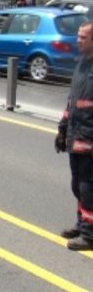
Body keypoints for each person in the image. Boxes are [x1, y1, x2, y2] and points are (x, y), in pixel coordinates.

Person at [55, 21, 93, 251]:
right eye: (78, 36)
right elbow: (73, 100)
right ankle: (82, 224)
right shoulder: (81, 64)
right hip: (76, 134)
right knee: (78, 185)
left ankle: (89, 235)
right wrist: (62, 128)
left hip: (90, 138)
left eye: (83, 37)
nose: (78, 40)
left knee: (89, 187)